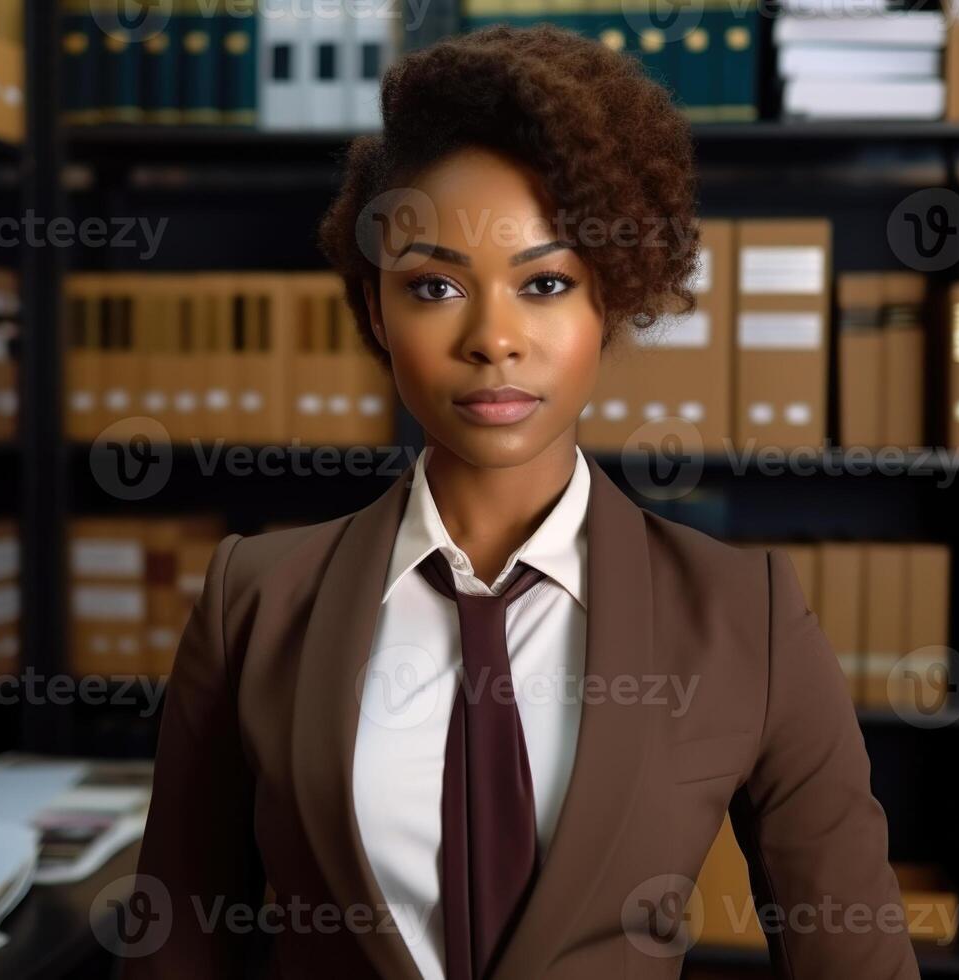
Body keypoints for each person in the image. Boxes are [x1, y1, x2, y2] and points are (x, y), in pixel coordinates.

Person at [123, 22, 919, 980]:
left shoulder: (745, 618)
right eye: (433, 286)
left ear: (610, 302)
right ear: (377, 310)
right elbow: (175, 952)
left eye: (544, 282)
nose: (493, 338)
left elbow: (857, 962)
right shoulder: (254, 599)